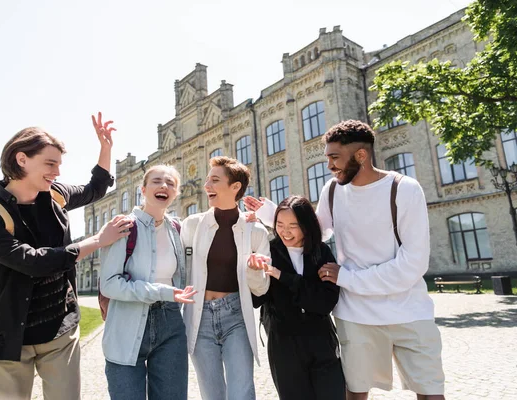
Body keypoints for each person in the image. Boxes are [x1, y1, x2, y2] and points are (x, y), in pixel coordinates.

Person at [245, 120, 445, 400]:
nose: (329, 165)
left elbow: (413, 263)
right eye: (327, 158)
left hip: (409, 310)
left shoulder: (404, 189)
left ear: (361, 156)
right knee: (355, 393)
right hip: (356, 314)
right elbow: (316, 232)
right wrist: (271, 215)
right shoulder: (333, 190)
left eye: (335, 158)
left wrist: (347, 277)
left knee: (430, 392)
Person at [0, 112, 132, 400]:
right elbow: (33, 262)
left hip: (60, 329)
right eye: (50, 163)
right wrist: (97, 241)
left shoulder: (55, 194)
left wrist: (105, 149)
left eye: (58, 165)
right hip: (10, 335)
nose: (57, 172)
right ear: (21, 159)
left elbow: (95, 189)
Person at [99, 164, 196, 400]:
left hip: (170, 324)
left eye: (171, 183)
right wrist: (163, 292)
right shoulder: (123, 226)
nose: (164, 185)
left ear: (176, 193)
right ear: (143, 189)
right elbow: (110, 284)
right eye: (156, 181)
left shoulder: (178, 229)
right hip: (127, 322)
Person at [180, 156, 270, 400]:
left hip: (236, 317)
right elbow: (178, 272)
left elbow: (261, 290)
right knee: (212, 395)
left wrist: (253, 269)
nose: (207, 185)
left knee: (241, 392)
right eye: (207, 179)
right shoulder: (191, 225)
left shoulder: (256, 232)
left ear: (235, 187)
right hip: (200, 317)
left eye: (215, 180)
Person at [249, 195, 345, 400]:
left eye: (293, 225)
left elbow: (324, 303)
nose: (285, 231)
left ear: (307, 225)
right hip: (284, 343)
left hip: (321, 340)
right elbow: (256, 300)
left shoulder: (321, 251)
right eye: (280, 225)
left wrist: (283, 277)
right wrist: (253, 273)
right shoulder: (269, 250)